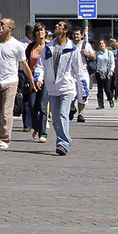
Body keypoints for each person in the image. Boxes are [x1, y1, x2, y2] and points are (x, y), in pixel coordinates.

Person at [34, 20, 87, 155]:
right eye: (56, 25)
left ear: (65, 31)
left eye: (60, 25)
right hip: (52, 88)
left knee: (63, 115)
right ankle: (66, 139)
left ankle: (62, 143)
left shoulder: (72, 49)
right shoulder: (48, 47)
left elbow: (79, 71)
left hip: (66, 88)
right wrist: (38, 78)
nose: (56, 26)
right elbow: (40, 65)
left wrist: (83, 91)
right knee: (56, 118)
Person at [0, 18, 33, 150]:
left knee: (6, 112)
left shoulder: (17, 45)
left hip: (11, 81)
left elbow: (24, 64)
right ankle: (1, 129)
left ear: (10, 28)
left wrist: (31, 80)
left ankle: (4, 139)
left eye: (2, 24)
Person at [25, 23, 50, 143]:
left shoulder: (49, 47)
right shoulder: (30, 47)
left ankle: (43, 132)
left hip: (46, 80)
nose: (41, 33)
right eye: (38, 31)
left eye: (42, 30)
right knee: (32, 105)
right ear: (35, 33)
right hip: (32, 79)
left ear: (45, 33)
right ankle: (36, 127)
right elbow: (25, 63)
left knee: (42, 106)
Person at [69, 28, 95, 123]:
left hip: (83, 72)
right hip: (71, 72)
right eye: (74, 34)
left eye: (77, 34)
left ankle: (81, 113)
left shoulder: (85, 45)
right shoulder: (69, 44)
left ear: (81, 35)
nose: (76, 36)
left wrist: (87, 54)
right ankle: (72, 108)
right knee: (71, 93)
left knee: (83, 93)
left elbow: (93, 56)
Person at [93, 38, 115, 110]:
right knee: (100, 89)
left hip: (107, 72)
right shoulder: (97, 53)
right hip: (99, 72)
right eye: (100, 44)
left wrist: (111, 70)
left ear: (105, 44)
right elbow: (95, 62)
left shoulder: (109, 53)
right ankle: (100, 104)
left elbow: (112, 63)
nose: (101, 45)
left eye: (102, 43)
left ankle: (110, 98)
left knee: (107, 89)